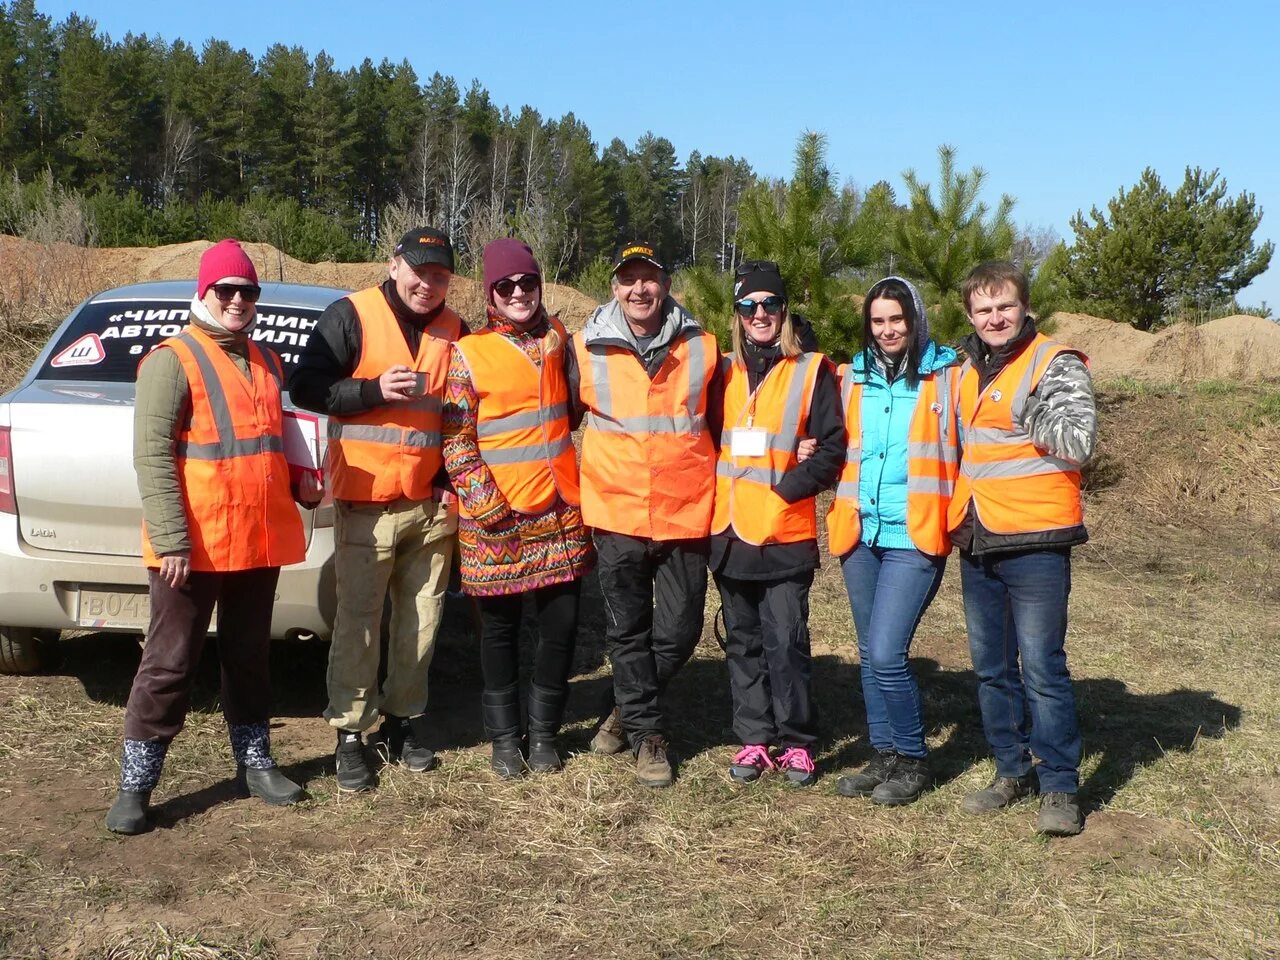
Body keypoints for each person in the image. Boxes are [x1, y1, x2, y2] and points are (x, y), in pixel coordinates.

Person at [106, 239, 319, 835]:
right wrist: (172, 539)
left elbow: (277, 444)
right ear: (204, 293)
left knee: (249, 658)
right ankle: (136, 785)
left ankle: (255, 764)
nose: (238, 300)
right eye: (226, 290)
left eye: (248, 291)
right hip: (192, 545)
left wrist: (306, 484)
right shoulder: (171, 360)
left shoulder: (267, 360)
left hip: (258, 540)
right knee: (169, 663)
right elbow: (151, 456)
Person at [289, 227, 466, 792]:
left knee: (422, 619)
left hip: (430, 503)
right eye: (419, 271)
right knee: (359, 625)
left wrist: (447, 479)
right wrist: (369, 390)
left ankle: (403, 721)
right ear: (395, 266)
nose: (428, 283)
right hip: (365, 504)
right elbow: (306, 387)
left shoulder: (454, 329)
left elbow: (458, 417)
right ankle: (349, 734)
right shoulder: (350, 316)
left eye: (439, 275)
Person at [565, 241, 722, 788]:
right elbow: (556, 419)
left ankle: (623, 710)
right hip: (616, 510)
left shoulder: (704, 345)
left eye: (649, 279)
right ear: (614, 287)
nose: (639, 289)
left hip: (685, 509)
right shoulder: (583, 347)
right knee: (627, 630)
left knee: (680, 630)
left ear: (666, 284)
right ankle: (648, 736)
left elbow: (726, 420)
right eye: (628, 279)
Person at [949, 260, 1096, 836]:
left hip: (1037, 540)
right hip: (980, 535)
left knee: (1041, 667)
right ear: (970, 315)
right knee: (990, 669)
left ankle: (1059, 784)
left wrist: (1024, 406)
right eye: (983, 309)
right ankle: (1011, 771)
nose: (994, 318)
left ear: (1023, 307)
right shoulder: (964, 370)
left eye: (1004, 306)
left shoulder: (1053, 362)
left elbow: (1078, 442)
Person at [442, 239, 593, 779]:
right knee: (500, 632)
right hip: (497, 521)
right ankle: (506, 740)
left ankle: (546, 734)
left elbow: (577, 407)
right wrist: (487, 507)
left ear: (540, 285)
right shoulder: (467, 352)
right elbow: (456, 439)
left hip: (559, 513)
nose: (518, 293)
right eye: (506, 286)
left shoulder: (559, 339)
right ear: (490, 295)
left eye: (527, 283)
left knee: (562, 626)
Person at [826, 277, 959, 806]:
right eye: (878, 321)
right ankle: (882, 754)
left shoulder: (945, 379)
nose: (887, 330)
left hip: (915, 531)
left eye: (897, 319)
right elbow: (828, 438)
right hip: (860, 530)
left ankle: (913, 758)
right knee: (867, 652)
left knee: (886, 651)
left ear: (916, 319)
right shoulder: (848, 378)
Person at [711, 260, 843, 787]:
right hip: (729, 530)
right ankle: (753, 740)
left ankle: (798, 743)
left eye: (769, 304)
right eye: (748, 306)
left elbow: (832, 446)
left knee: (785, 640)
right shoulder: (722, 371)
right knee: (741, 640)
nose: (759, 314)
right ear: (738, 315)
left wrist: (790, 484)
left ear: (784, 310)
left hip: (784, 532)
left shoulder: (813, 369)